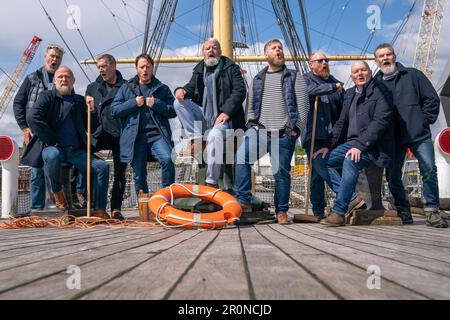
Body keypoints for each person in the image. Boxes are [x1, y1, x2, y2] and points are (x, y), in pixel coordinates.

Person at [234, 39, 308, 224]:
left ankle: (281, 211)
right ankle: (243, 200)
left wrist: (296, 129)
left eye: (281, 48)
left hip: (283, 133)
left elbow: (303, 107)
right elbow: (249, 107)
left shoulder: (294, 76)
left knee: (280, 174)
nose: (279, 50)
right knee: (241, 158)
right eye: (274, 48)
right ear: (267, 54)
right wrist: (251, 124)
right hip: (259, 131)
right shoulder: (258, 79)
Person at [374, 43, 447, 228]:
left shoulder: (413, 75)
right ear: (376, 61)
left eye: (388, 54)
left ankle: (432, 211)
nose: (385, 58)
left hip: (417, 133)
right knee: (392, 175)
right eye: (381, 56)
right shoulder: (375, 84)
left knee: (429, 170)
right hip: (392, 138)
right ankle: (403, 210)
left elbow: (431, 98)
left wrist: (423, 121)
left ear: (394, 56)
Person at [21, 66, 110, 218]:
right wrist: (51, 140)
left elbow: (93, 125)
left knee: (102, 166)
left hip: (75, 151)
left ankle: (100, 208)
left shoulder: (79, 101)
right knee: (52, 156)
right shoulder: (47, 96)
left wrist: (92, 110)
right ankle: (58, 192)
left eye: (67, 77)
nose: (64, 79)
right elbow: (32, 117)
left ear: (73, 81)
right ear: (55, 80)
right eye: (60, 77)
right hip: (52, 147)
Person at [316, 61, 394, 226]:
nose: (359, 74)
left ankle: (339, 212)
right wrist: (328, 146)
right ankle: (352, 198)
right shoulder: (350, 94)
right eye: (356, 72)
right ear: (351, 76)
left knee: (350, 160)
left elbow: (380, 122)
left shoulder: (381, 91)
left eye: (363, 70)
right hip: (351, 143)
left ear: (370, 72)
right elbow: (340, 123)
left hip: (373, 146)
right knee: (320, 160)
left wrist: (360, 145)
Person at [173, 38, 247, 188]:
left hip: (226, 120)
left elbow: (240, 91)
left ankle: (211, 182)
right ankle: (197, 138)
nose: (211, 50)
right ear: (203, 52)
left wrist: (226, 112)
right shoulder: (199, 70)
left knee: (214, 135)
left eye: (214, 48)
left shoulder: (231, 68)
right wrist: (180, 91)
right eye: (208, 48)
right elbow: (190, 87)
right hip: (205, 116)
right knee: (178, 103)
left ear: (219, 52)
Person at [302, 52, 364, 220]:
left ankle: (343, 203)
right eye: (320, 61)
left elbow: (343, 110)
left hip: (333, 137)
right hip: (314, 134)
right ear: (311, 64)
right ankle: (319, 210)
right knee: (316, 173)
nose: (324, 63)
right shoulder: (305, 80)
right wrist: (332, 87)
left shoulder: (335, 83)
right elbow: (309, 91)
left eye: (326, 60)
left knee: (335, 169)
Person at [111, 54, 177, 194]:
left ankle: (167, 198)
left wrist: (157, 104)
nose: (145, 70)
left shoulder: (162, 88)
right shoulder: (126, 88)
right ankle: (144, 207)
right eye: (142, 67)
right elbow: (114, 110)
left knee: (167, 159)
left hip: (157, 136)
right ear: (137, 69)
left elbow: (173, 111)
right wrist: (133, 103)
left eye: (148, 66)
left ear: (152, 69)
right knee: (139, 174)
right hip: (135, 138)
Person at [13, 44, 64, 213]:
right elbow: (18, 103)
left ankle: (56, 205)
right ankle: (37, 208)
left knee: (55, 168)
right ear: (45, 57)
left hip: (54, 134)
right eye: (52, 56)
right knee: (36, 171)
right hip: (35, 134)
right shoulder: (32, 79)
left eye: (57, 57)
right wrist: (24, 127)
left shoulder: (62, 79)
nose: (54, 59)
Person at [85, 54, 127, 220]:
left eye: (103, 66)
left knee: (120, 173)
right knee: (82, 159)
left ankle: (116, 208)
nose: (101, 70)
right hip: (97, 133)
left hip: (119, 134)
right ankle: (88, 202)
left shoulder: (126, 87)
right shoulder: (92, 87)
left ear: (113, 66)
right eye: (99, 67)